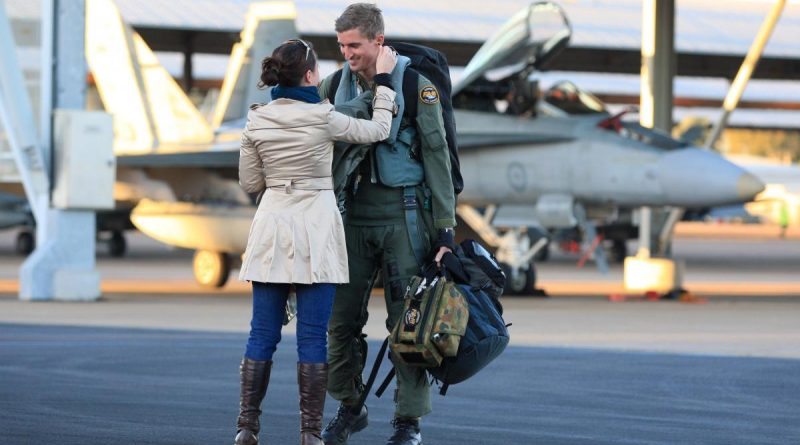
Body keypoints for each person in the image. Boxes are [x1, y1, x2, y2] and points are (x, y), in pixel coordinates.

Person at [235, 38, 398, 445]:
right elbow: (379, 129)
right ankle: (309, 433)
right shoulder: (324, 116)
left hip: (272, 226)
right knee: (312, 335)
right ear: (310, 76)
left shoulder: (257, 120)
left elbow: (250, 182)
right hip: (317, 229)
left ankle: (246, 428)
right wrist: (384, 81)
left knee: (262, 333)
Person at [318, 4, 457, 445]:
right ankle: (348, 405)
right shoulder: (333, 86)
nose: (347, 54)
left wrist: (446, 229)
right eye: (341, 46)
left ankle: (408, 422)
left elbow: (437, 156)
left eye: (355, 45)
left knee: (409, 324)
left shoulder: (417, 85)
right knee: (339, 322)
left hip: (405, 216)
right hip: (351, 218)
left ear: (379, 41)